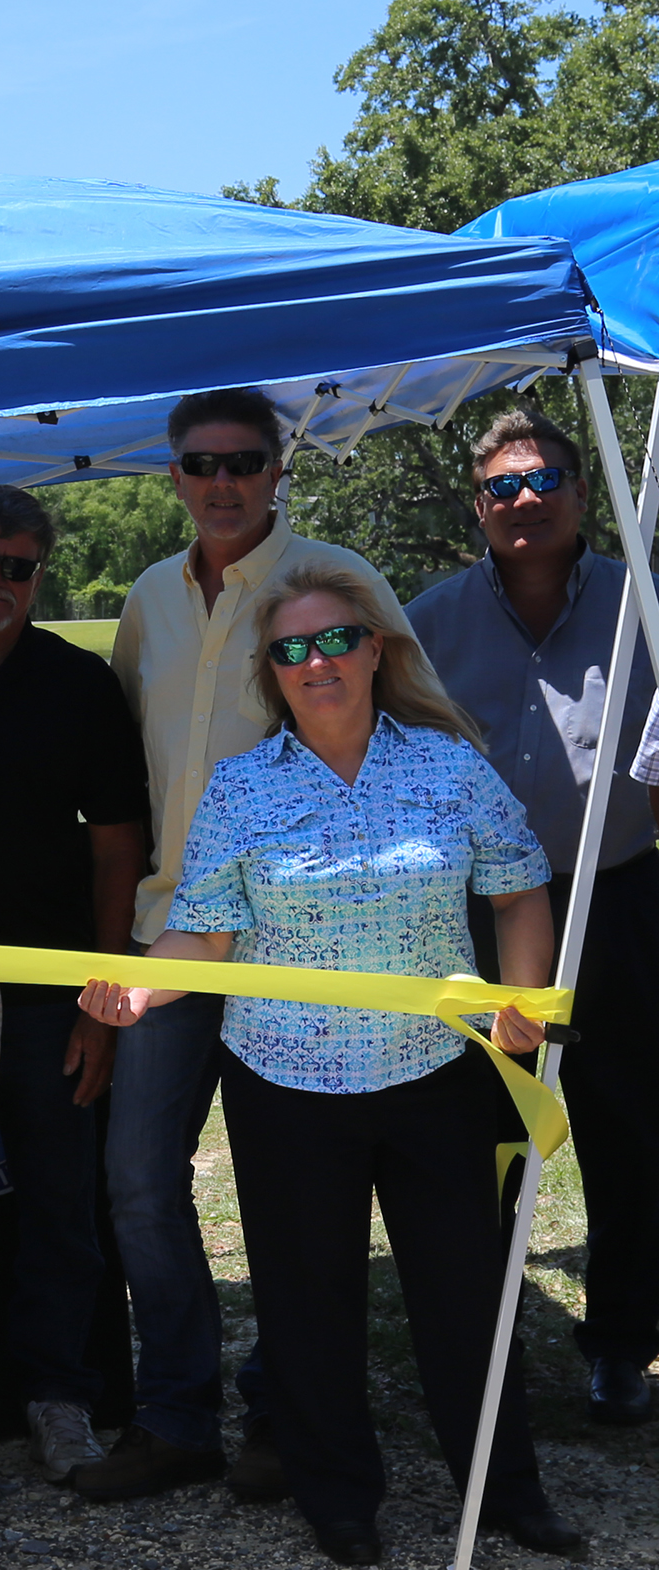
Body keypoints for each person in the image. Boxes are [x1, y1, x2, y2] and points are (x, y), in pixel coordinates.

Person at [80, 560, 581, 1566]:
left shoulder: (444, 765)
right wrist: (137, 988)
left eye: (333, 641)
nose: (316, 663)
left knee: (464, 1297)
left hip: (430, 1072)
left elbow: (519, 883)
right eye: (290, 650)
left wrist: (521, 1001)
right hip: (284, 1086)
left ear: (374, 651)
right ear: (270, 673)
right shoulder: (243, 788)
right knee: (308, 1305)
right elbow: (206, 936)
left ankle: (506, 1487)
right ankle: (338, 1498)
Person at [83, 386, 415, 1504]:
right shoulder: (144, 602)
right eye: (196, 463)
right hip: (170, 943)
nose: (219, 482)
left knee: (298, 1196)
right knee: (136, 1180)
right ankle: (176, 1412)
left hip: (303, 951)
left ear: (277, 468)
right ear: (170, 475)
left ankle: (289, 1407)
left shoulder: (337, 580)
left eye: (240, 460)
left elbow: (417, 723)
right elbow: (117, 782)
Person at [409, 406, 659, 1426]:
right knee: (478, 1134)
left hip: (621, 900)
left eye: (541, 481)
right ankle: (481, 1344)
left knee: (629, 1132)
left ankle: (621, 1341)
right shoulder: (426, 621)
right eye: (501, 488)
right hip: (480, 913)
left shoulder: (645, 602)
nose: (522, 501)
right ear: (477, 507)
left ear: (580, 491)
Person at [0, 485, 147, 1483]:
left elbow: (117, 852)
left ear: (37, 579)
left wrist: (102, 1003)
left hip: (45, 994)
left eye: (17, 569)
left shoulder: (77, 684)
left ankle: (61, 1399)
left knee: (62, 1204)